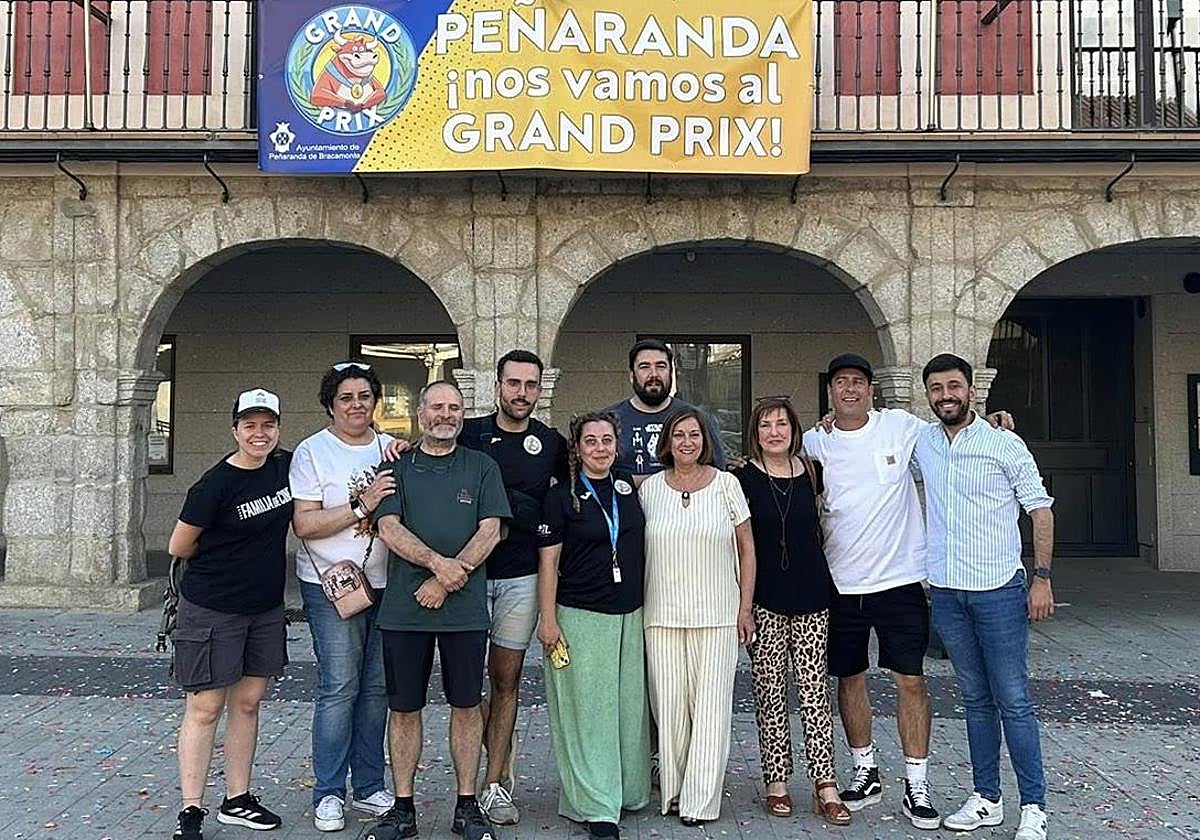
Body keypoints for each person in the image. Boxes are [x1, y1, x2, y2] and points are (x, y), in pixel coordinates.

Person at [802, 353, 1014, 830]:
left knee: (910, 682)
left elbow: (953, 428)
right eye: (841, 383)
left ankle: (916, 784)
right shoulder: (815, 441)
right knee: (849, 679)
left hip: (900, 581)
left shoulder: (902, 427)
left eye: (858, 382)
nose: (850, 390)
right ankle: (865, 770)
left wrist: (994, 420)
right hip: (840, 583)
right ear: (830, 391)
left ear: (871, 389)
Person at [914, 353, 1054, 840]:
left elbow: (1039, 510)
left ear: (972, 391)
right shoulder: (923, 442)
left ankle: (1034, 805)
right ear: (928, 394)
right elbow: (872, 436)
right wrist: (828, 420)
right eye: (936, 388)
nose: (945, 395)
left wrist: (1042, 577)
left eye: (954, 386)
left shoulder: (1004, 444)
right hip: (948, 591)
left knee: (1013, 699)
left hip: (998, 589)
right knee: (974, 698)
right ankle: (987, 798)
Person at [366, 381, 511, 840]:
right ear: (420, 413)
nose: (445, 415)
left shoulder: (482, 467)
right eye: (437, 407)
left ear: (463, 414)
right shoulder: (398, 468)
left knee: (466, 705)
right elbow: (388, 527)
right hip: (405, 611)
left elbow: (491, 529)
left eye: (454, 407)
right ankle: (403, 807)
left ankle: (466, 806)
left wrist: (452, 575)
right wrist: (436, 566)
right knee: (404, 707)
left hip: (464, 612)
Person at [168, 388, 292, 840]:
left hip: (263, 609)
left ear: (277, 429)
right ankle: (191, 811)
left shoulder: (284, 467)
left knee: (247, 702)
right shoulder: (214, 484)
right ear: (235, 429)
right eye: (250, 425)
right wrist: (223, 554)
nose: (259, 434)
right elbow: (179, 546)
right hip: (213, 607)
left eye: (267, 425)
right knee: (205, 707)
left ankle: (237, 799)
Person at [458, 349, 568, 825]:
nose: (521, 393)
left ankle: (496, 782)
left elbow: (556, 509)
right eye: (513, 383)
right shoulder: (471, 435)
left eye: (530, 385)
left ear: (540, 389)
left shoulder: (552, 443)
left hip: (522, 578)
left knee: (506, 682)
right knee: (465, 685)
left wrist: (505, 505)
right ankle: (477, 770)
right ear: (497, 385)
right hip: (466, 576)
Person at [733, 397, 850, 827]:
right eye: (765, 425)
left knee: (814, 693)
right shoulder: (741, 476)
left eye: (782, 423)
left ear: (794, 429)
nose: (774, 432)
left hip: (813, 595)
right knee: (769, 695)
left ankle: (826, 786)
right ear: (755, 433)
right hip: (764, 598)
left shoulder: (811, 472)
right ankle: (777, 782)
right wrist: (741, 605)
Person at [290, 363, 398, 832]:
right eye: (346, 397)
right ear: (330, 405)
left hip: (385, 582)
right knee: (339, 687)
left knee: (376, 688)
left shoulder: (391, 448)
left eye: (364, 396)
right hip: (332, 588)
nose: (356, 404)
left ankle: (370, 784)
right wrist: (361, 504)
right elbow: (305, 525)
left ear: (376, 400)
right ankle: (329, 791)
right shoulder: (313, 453)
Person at [536, 410, 651, 839]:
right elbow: (548, 563)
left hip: (630, 615)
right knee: (590, 714)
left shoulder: (626, 486)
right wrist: (548, 620)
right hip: (581, 617)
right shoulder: (562, 496)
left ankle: (626, 791)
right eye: (591, 442)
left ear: (616, 445)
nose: (600, 448)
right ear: (577, 448)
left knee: (626, 710)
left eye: (607, 440)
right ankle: (597, 805)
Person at [639, 408, 755, 827]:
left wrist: (745, 607)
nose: (687, 442)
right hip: (661, 613)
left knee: (711, 709)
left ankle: (700, 800)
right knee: (668, 708)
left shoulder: (728, 484)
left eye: (695, 435)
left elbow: (747, 548)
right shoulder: (649, 489)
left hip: (719, 613)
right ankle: (673, 790)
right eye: (679, 435)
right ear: (666, 442)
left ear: (706, 440)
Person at [604, 338, 726, 482]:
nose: (653, 374)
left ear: (671, 373)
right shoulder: (609, 420)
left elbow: (716, 472)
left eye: (661, 366)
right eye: (644, 367)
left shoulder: (696, 418)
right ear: (632, 376)